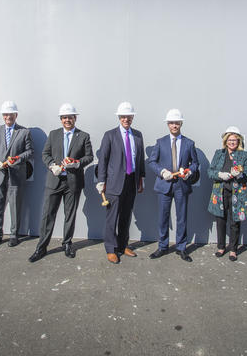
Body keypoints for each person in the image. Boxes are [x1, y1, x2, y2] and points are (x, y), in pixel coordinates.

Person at [28, 103, 93, 263]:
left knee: (69, 215)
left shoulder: (83, 136)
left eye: (70, 117)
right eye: (64, 117)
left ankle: (67, 244)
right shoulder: (53, 134)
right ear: (61, 119)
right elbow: (45, 153)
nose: (67, 120)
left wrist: (76, 163)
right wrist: (52, 166)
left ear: (75, 118)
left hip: (73, 181)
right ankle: (41, 247)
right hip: (54, 181)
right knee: (47, 215)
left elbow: (89, 156)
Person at [96, 102, 145, 264]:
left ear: (132, 118)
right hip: (114, 184)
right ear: (119, 117)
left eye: (129, 116)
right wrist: (101, 181)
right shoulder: (110, 135)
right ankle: (111, 248)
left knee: (126, 217)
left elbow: (140, 160)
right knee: (112, 218)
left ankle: (123, 245)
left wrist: (141, 179)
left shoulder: (138, 135)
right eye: (123, 116)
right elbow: (102, 160)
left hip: (131, 182)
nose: (126, 119)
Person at [147, 109, 199, 262]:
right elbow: (152, 161)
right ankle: (163, 246)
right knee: (163, 217)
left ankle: (181, 248)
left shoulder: (189, 143)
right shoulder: (160, 142)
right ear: (168, 124)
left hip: (181, 185)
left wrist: (189, 172)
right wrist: (162, 172)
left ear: (181, 123)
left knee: (181, 218)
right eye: (171, 123)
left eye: (177, 122)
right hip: (164, 184)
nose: (174, 125)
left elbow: (195, 163)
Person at [0, 101, 34, 248]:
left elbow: (30, 151)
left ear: (16, 115)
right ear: (2, 116)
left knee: (15, 206)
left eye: (11, 114)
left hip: (15, 175)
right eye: (5, 114)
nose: (8, 117)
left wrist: (17, 159)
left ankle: (14, 235)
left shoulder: (24, 132)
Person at [207, 126, 247, 262]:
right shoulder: (219, 153)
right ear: (225, 141)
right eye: (229, 140)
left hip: (237, 194)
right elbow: (209, 171)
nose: (232, 142)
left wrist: (240, 175)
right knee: (220, 221)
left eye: (234, 140)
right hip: (220, 191)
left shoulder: (244, 155)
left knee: (235, 222)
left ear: (239, 141)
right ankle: (221, 247)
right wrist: (219, 175)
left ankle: (233, 249)